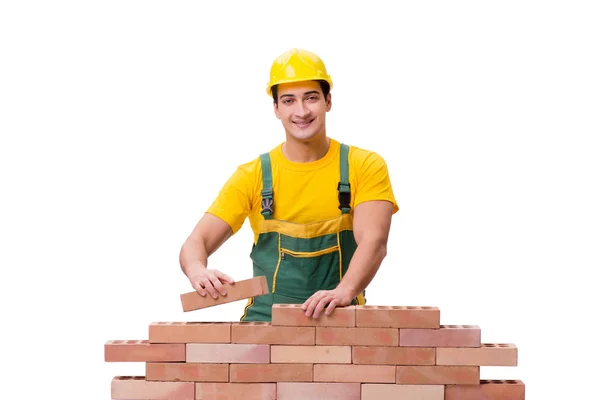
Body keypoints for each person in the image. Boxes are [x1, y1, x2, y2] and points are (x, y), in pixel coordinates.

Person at [179, 48, 399, 322]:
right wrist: (198, 270)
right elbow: (195, 242)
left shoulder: (363, 166)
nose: (302, 111)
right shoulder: (254, 175)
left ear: (328, 101)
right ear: (276, 109)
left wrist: (345, 291)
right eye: (289, 100)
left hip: (341, 322)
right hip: (265, 325)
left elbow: (374, 241)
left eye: (311, 98)